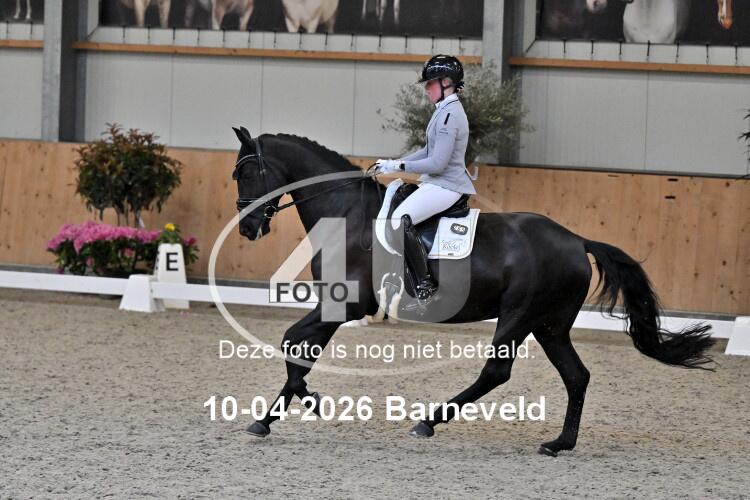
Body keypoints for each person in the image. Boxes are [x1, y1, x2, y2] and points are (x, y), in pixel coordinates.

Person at [375, 54, 476, 302]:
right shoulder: (443, 111)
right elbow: (427, 151)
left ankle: (424, 283)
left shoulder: (451, 115)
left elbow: (437, 163)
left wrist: (400, 165)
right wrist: (393, 164)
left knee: (400, 220)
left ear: (446, 82)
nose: (426, 89)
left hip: (447, 184)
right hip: (437, 182)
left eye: (430, 83)